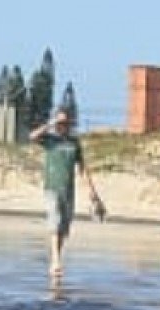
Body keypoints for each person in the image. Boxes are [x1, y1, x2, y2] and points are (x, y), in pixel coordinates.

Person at [29, 109, 104, 282]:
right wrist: (51, 123)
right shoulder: (50, 140)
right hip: (52, 188)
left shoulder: (74, 143)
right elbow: (32, 137)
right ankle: (55, 261)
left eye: (65, 124)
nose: (63, 126)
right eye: (60, 124)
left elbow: (83, 168)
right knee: (55, 221)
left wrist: (92, 191)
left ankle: (56, 258)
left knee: (64, 226)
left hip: (68, 189)